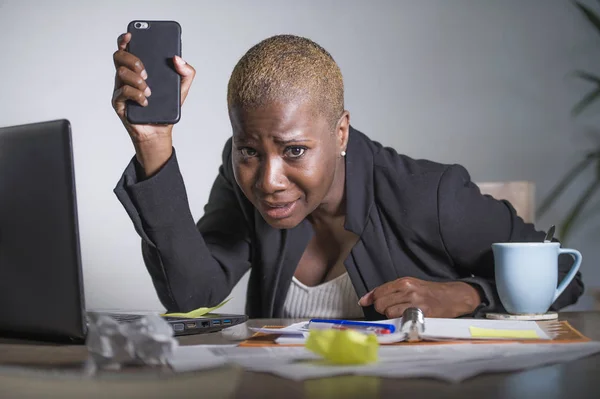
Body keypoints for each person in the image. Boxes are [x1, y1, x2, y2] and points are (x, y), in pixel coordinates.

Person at [111, 33, 583, 320]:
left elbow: (564, 273)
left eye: (295, 150)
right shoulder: (243, 180)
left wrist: (465, 294)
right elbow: (192, 295)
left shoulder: (430, 195)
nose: (269, 180)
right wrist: (154, 145)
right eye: (249, 150)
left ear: (340, 132)